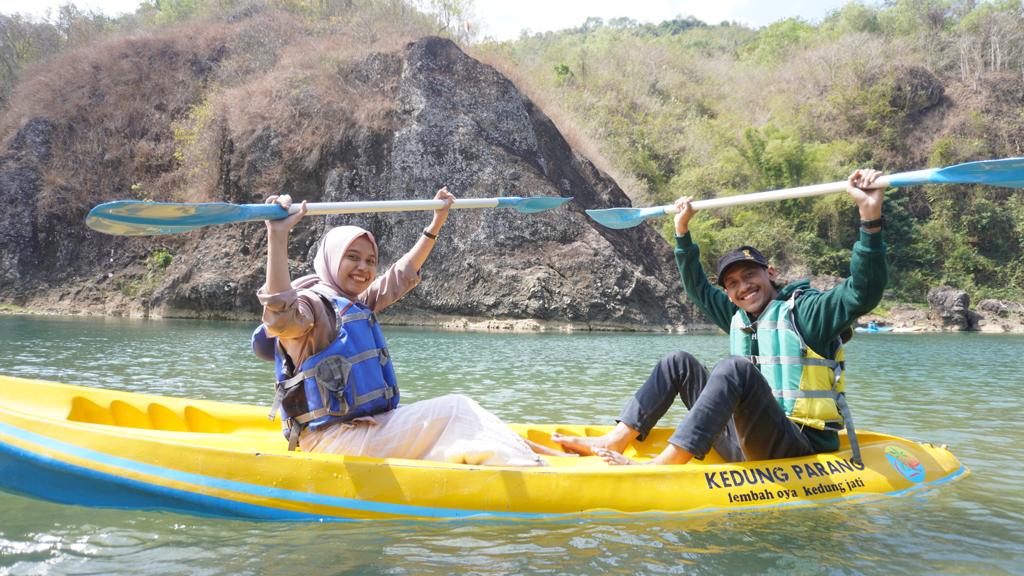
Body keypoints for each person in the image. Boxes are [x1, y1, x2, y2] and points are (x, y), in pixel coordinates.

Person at [553, 169, 888, 465]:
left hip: (798, 445)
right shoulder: (737, 313)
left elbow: (863, 291)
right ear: (728, 292)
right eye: (732, 284)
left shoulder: (807, 312)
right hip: (744, 440)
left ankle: (667, 464)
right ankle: (615, 439)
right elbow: (698, 288)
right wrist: (682, 233)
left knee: (733, 367)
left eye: (749, 276)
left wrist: (869, 220)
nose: (743, 288)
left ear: (770, 273)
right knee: (677, 362)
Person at [257, 187, 555, 466]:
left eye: (370, 260)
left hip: (366, 429)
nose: (364, 267)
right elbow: (281, 313)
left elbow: (401, 275)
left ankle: (523, 460)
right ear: (331, 259)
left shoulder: (353, 303)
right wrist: (277, 235)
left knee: (461, 415)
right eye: (352, 257)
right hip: (332, 440)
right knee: (457, 410)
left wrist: (436, 223)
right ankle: (533, 473)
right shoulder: (311, 307)